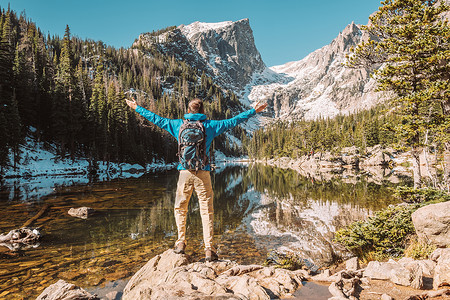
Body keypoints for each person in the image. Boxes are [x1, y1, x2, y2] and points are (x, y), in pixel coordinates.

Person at [126, 97, 267, 261]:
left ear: (188, 111)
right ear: (203, 112)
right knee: (207, 211)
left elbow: (155, 119)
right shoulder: (210, 126)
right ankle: (208, 249)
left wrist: (137, 108)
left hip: (184, 172)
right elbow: (233, 121)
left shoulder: (178, 124)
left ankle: (180, 243)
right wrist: (254, 111)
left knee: (180, 208)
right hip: (203, 174)